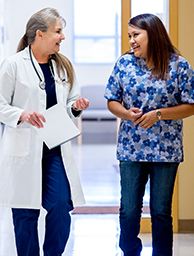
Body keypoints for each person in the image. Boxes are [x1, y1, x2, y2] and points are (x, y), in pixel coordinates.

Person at [0, 7, 89, 256]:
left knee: (61, 206)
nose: (62, 36)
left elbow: (72, 101)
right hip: (24, 147)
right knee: (25, 213)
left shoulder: (63, 66)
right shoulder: (13, 65)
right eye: (58, 31)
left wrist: (76, 107)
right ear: (39, 34)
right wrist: (21, 114)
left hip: (55, 149)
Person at [104, 13, 194, 256]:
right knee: (129, 210)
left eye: (136, 35)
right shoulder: (124, 63)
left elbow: (191, 105)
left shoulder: (179, 65)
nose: (131, 41)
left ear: (152, 34)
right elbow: (112, 101)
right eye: (129, 36)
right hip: (131, 149)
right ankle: (130, 251)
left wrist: (159, 114)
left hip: (166, 150)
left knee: (161, 211)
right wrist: (126, 114)